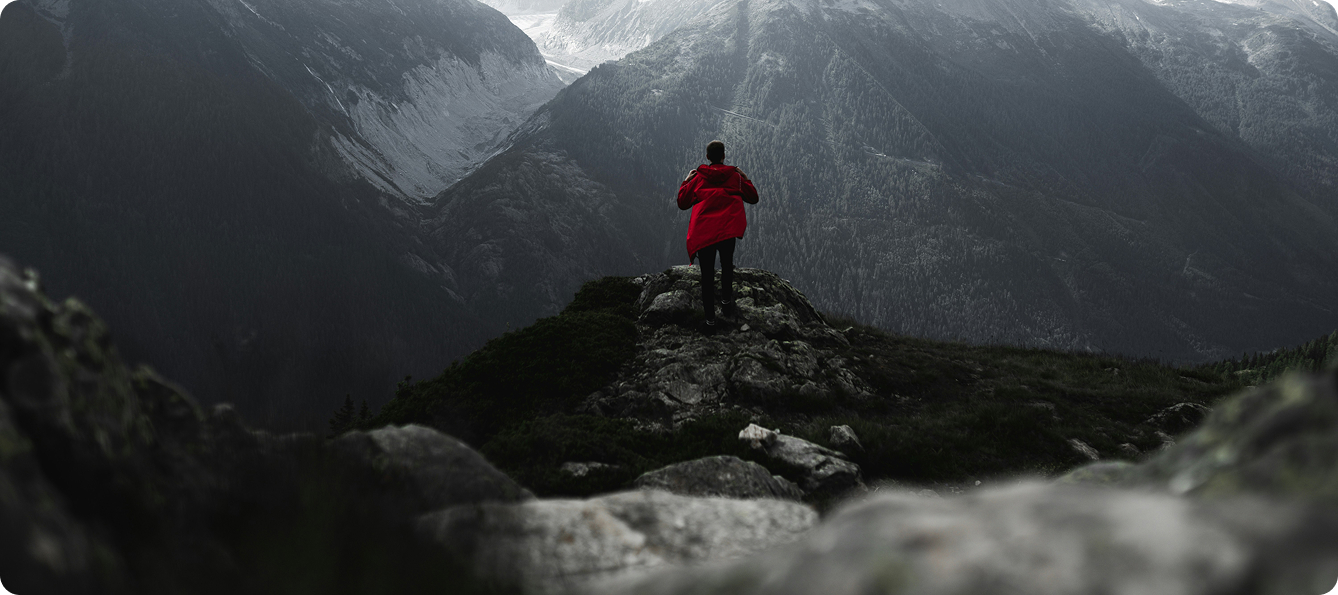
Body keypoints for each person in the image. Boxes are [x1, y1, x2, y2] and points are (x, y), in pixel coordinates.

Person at [677, 140, 759, 330]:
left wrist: (686, 181)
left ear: (708, 157)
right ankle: (725, 303)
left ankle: (710, 321)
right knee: (727, 264)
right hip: (727, 228)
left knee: (706, 275)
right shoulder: (735, 177)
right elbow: (753, 197)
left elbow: (682, 202)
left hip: (704, 230)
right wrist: (745, 179)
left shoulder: (698, 178)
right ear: (723, 156)